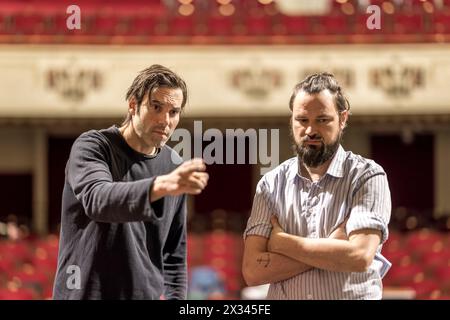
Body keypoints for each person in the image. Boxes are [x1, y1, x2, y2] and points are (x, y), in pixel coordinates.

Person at [53, 65, 209, 300]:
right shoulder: (93, 146)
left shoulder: (173, 166)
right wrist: (161, 186)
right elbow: (98, 200)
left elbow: (174, 253)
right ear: (133, 105)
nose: (165, 120)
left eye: (174, 112)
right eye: (156, 107)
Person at [242, 72, 391, 300]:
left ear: (342, 119)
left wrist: (284, 243)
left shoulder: (367, 176)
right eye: (302, 120)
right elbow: (253, 271)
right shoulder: (270, 184)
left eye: (322, 120)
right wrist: (333, 248)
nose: (310, 130)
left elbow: (359, 257)